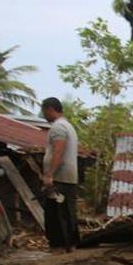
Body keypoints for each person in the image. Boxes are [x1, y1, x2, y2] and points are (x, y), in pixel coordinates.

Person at [39, 97, 81, 251]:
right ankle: (70, 244)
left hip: (59, 177)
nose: (44, 115)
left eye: (44, 111)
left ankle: (59, 245)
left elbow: (58, 151)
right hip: (68, 177)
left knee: (55, 213)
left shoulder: (58, 128)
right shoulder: (69, 126)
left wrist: (49, 174)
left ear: (50, 109)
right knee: (67, 211)